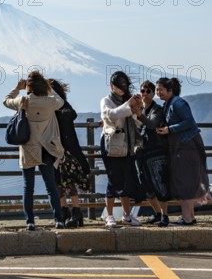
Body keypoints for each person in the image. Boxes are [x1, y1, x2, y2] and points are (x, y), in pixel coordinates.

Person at [4, 71, 66, 230]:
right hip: (47, 148)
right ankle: (59, 220)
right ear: (43, 85)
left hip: (28, 149)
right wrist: (49, 88)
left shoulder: (23, 101)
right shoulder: (51, 102)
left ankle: (30, 221)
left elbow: (6, 101)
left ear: (28, 87)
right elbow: (61, 101)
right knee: (51, 186)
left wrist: (17, 88)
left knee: (28, 187)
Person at [155, 77, 210, 226]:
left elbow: (189, 121)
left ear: (169, 90)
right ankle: (189, 217)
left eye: (161, 89)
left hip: (187, 146)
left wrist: (169, 129)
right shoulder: (169, 103)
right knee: (187, 180)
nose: (158, 92)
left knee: (184, 180)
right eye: (157, 89)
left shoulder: (178, 103)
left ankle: (187, 218)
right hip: (183, 146)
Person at [100, 71, 145, 228]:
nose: (122, 89)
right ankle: (109, 216)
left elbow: (137, 122)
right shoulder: (106, 100)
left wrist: (138, 108)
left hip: (127, 144)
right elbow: (111, 115)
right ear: (112, 86)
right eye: (119, 86)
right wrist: (129, 105)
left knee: (126, 180)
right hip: (112, 143)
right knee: (113, 179)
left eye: (124, 86)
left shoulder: (128, 100)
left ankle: (127, 215)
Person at [48, 79, 90, 228]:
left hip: (65, 150)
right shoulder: (56, 105)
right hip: (57, 149)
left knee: (67, 181)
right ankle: (67, 211)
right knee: (59, 181)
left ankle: (74, 211)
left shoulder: (62, 106)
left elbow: (71, 114)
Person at [131, 80, 170, 227]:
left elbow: (152, 124)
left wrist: (138, 113)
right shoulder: (137, 109)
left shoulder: (157, 109)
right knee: (145, 185)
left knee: (160, 184)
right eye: (143, 91)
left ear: (153, 94)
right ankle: (158, 213)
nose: (145, 94)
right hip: (141, 152)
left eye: (148, 91)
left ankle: (165, 215)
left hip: (155, 152)